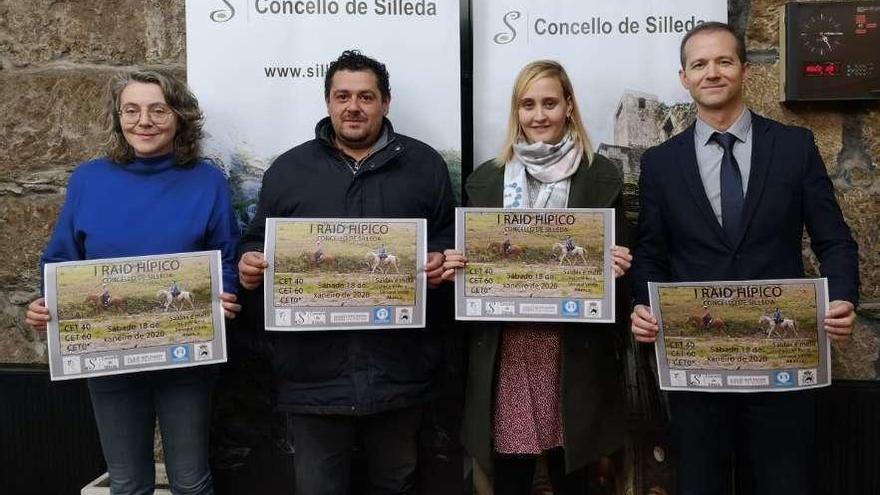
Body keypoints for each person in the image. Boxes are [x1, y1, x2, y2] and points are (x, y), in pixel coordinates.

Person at [630, 22, 859, 495]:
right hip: (697, 364)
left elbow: (834, 240)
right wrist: (643, 305)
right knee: (700, 483)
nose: (711, 72)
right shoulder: (660, 163)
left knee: (784, 483)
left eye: (723, 61)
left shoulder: (794, 147)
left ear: (744, 70)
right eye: (699, 64)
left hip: (781, 365)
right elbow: (650, 252)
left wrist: (841, 297)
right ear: (684, 77)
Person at [237, 50, 455, 495]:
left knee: (397, 484)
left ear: (385, 103)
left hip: (399, 370)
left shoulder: (424, 165)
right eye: (342, 96)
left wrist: (439, 260)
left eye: (366, 96)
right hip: (312, 376)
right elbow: (256, 241)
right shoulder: (289, 170)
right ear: (328, 102)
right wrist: (249, 264)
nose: (353, 106)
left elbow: (448, 238)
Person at [24, 69, 241, 495]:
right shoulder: (88, 179)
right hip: (109, 358)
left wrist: (226, 294)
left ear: (179, 117)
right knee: (126, 483)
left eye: (158, 109)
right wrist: (45, 303)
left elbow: (225, 257)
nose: (144, 120)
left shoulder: (207, 181)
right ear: (118, 118)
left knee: (191, 481)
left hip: (186, 355)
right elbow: (61, 259)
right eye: (132, 110)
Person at [441, 60, 633, 494]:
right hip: (508, 349)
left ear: (568, 106)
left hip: (572, 349)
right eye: (528, 105)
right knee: (511, 475)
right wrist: (460, 267)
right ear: (516, 112)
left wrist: (618, 266)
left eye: (549, 102)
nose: (539, 115)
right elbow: (476, 262)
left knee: (573, 474)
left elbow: (616, 266)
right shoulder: (487, 180)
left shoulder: (599, 174)